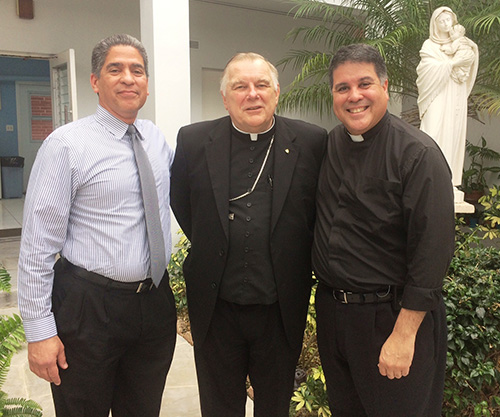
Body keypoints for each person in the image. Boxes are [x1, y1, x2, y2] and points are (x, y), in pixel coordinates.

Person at [17, 34, 177, 417]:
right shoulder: (66, 146)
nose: (128, 78)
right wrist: (40, 333)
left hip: (153, 303)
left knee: (143, 408)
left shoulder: (155, 139)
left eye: (137, 70)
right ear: (95, 82)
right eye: (115, 69)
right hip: (88, 308)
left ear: (147, 84)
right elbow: (37, 246)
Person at [170, 52, 327, 417]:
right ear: (225, 98)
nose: (251, 94)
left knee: (274, 406)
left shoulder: (312, 141)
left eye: (261, 86)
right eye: (240, 86)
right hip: (216, 306)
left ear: (276, 92)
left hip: (279, 308)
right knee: (219, 406)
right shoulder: (194, 140)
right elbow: (182, 201)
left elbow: (317, 212)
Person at [312, 44, 455, 416]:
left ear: (386, 86)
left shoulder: (418, 154)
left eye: (365, 84)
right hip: (335, 316)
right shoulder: (331, 144)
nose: (354, 96)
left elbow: (432, 250)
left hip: (390, 320)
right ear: (333, 95)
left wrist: (404, 335)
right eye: (343, 88)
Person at [416, 7, 479, 188]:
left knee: (452, 130)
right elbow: (424, 70)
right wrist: (450, 64)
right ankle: (425, 175)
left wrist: (453, 63)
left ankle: (447, 180)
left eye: (448, 20)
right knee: (432, 128)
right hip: (436, 92)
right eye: (441, 21)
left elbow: (469, 57)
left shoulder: (463, 42)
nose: (445, 24)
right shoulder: (429, 45)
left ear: (454, 21)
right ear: (435, 24)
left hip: (454, 92)